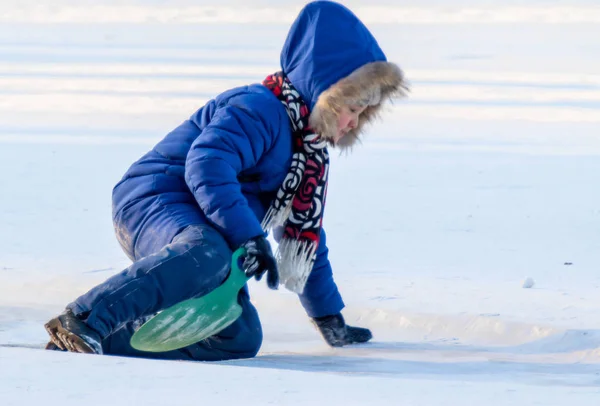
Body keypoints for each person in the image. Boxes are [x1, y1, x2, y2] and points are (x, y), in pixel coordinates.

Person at [44, 0, 407, 361]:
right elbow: (206, 166)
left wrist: (328, 317)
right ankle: (83, 320)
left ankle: (102, 342)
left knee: (239, 336)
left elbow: (305, 235)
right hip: (155, 197)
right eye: (352, 109)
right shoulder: (259, 108)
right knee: (208, 253)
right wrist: (248, 235)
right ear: (327, 93)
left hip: (212, 226)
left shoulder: (308, 155)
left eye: (363, 114)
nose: (354, 124)